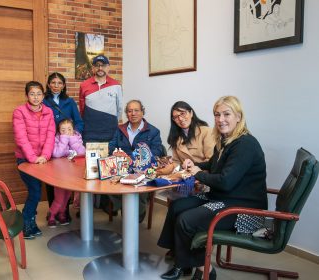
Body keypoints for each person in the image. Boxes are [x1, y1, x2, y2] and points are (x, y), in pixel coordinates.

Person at [158, 96, 267, 280]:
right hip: (224, 198)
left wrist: (196, 173)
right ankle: (181, 261)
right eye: (217, 114)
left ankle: (205, 270)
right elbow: (214, 164)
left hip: (242, 209)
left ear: (238, 117)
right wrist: (196, 165)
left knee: (187, 220)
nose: (220, 119)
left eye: (226, 114)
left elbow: (225, 181)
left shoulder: (245, 144)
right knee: (177, 206)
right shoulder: (227, 140)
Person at [108, 100, 164, 222]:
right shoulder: (120, 129)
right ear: (126, 114)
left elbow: (156, 152)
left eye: (136, 110)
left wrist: (133, 159)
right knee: (107, 181)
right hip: (122, 166)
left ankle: (139, 211)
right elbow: (111, 146)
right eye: (129, 111)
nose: (133, 113)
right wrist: (116, 152)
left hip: (143, 169)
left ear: (142, 112)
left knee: (140, 185)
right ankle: (124, 206)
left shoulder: (153, 131)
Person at [13, 81, 55, 239]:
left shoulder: (49, 112)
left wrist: (44, 156)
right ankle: (26, 223)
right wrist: (33, 158)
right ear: (26, 95)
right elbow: (21, 138)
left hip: (43, 160)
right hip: (25, 159)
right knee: (35, 192)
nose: (36, 97)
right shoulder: (19, 112)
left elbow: (51, 136)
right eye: (32, 94)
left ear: (43, 95)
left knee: (36, 192)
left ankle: (30, 222)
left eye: (39, 94)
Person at [44, 72, 84, 220]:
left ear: (64, 85)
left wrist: (73, 135)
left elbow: (79, 122)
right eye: (53, 82)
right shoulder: (43, 101)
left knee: (67, 179)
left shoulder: (70, 102)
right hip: (51, 144)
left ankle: (64, 211)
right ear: (48, 84)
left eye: (59, 83)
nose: (56, 85)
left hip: (68, 148)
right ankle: (52, 210)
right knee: (51, 180)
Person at [47, 119, 85, 228]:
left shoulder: (77, 138)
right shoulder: (57, 139)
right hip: (59, 174)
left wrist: (72, 140)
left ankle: (62, 214)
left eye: (69, 129)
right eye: (63, 130)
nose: (66, 132)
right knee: (59, 198)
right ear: (59, 131)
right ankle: (51, 215)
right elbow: (57, 154)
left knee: (67, 197)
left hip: (72, 175)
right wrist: (64, 139)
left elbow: (82, 152)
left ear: (73, 130)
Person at [79, 55, 123, 143]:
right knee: (90, 156)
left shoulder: (116, 85)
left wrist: (110, 121)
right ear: (93, 68)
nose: (100, 68)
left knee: (110, 156)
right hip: (90, 133)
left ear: (108, 68)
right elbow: (82, 108)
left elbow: (119, 108)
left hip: (110, 132)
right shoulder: (84, 85)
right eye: (97, 65)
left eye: (103, 65)